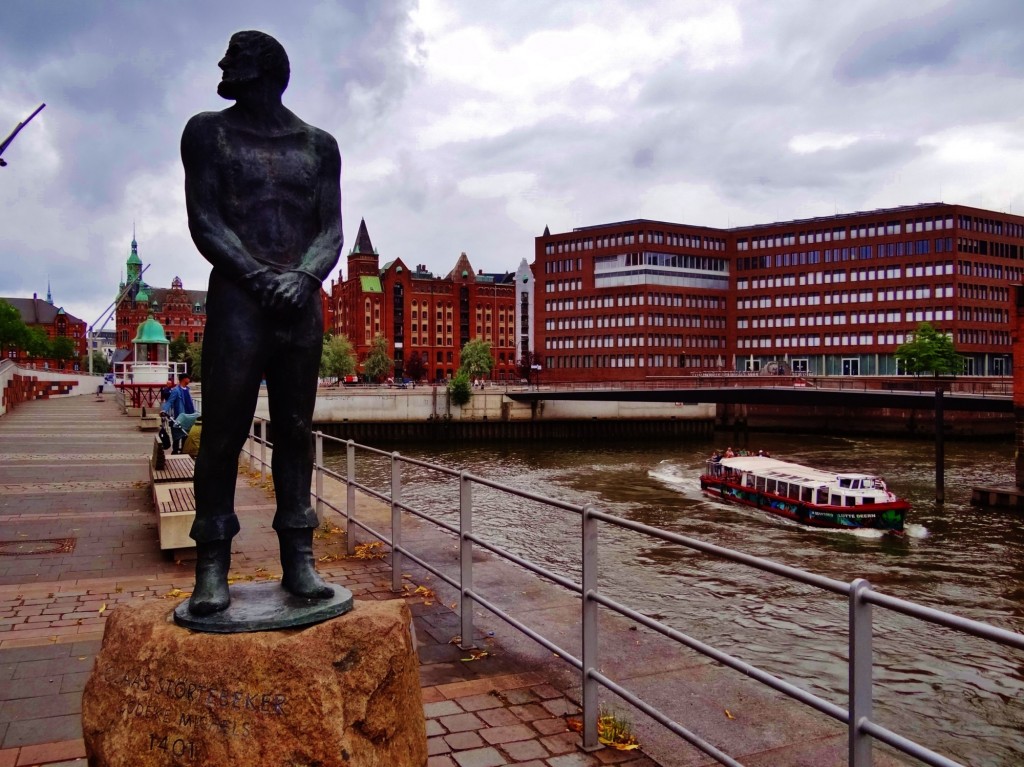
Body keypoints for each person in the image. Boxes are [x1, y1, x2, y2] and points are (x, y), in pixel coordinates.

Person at [181, 30, 343, 616]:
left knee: (296, 431)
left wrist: (302, 278)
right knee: (223, 431)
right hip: (238, 302)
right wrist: (256, 276)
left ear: (267, 69)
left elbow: (331, 231)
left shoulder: (320, 146)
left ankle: (299, 557)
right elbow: (205, 220)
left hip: (301, 304)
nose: (223, 64)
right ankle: (212, 564)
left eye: (236, 57)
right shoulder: (208, 133)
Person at [161, 374, 196, 454]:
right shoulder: (176, 390)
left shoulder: (187, 389)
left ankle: (183, 451)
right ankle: (175, 451)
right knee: (177, 435)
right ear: (184, 379)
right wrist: (164, 410)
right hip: (180, 416)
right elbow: (170, 401)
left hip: (189, 417)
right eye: (188, 378)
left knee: (186, 435)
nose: (189, 380)